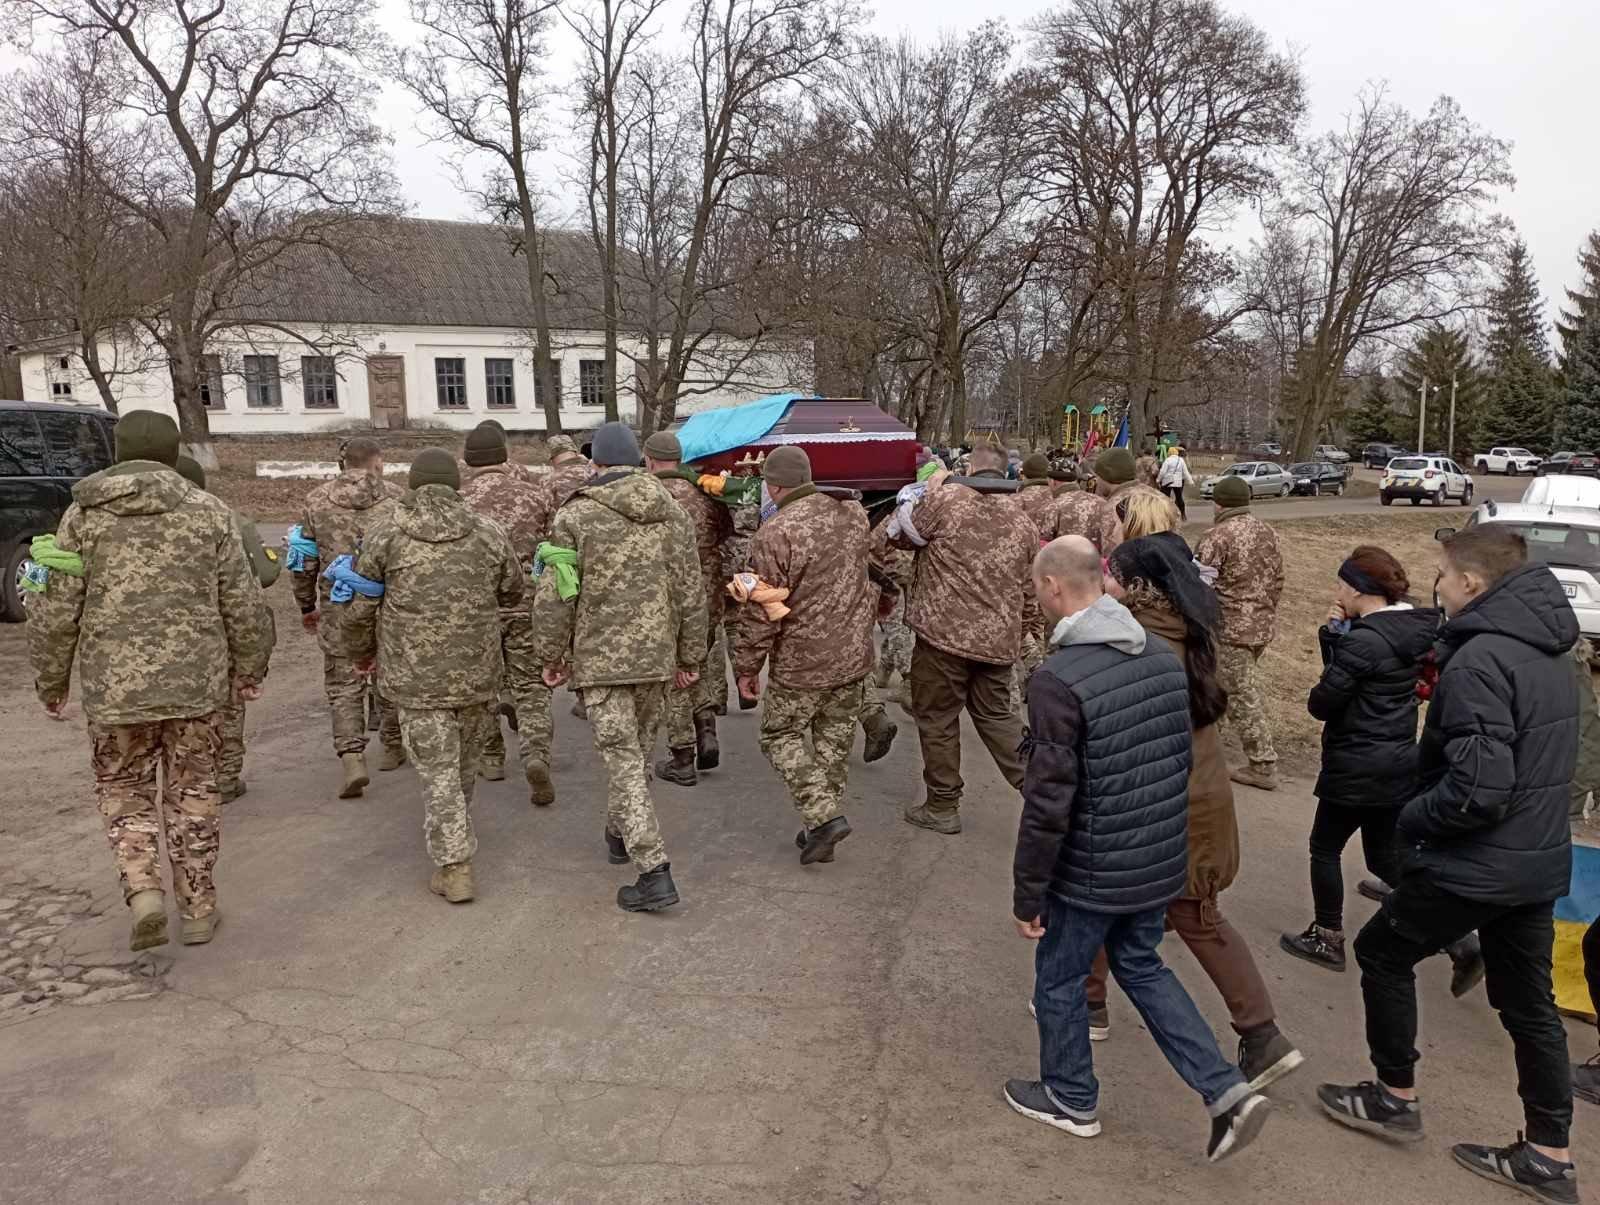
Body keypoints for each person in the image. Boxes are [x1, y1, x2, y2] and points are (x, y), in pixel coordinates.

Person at [1318, 527, 1580, 1204]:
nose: (1435, 585)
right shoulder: (1555, 652)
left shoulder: (1481, 660)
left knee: (1380, 951)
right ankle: (1550, 1154)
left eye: (1441, 574)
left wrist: (1410, 819)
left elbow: (1479, 788)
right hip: (1536, 861)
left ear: (1471, 582)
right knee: (1530, 1004)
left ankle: (1392, 1095)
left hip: (1479, 863)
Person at [1004, 535, 1272, 1162]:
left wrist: (1029, 893)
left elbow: (1048, 802)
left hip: (1092, 868)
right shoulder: (1158, 655)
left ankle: (1071, 1096)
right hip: (1155, 857)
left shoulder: (1058, 680)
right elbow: (1178, 761)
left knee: (1060, 979)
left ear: (1052, 588)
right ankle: (1225, 1089)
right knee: (1143, 965)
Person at [27, 410, 274, 949]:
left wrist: (52, 681)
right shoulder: (211, 513)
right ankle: (200, 909)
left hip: (115, 692)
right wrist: (250, 669)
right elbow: (243, 603)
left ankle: (143, 891)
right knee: (193, 792)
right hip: (196, 688)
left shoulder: (82, 517)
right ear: (172, 450)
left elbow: (55, 607)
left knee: (123, 787)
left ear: (116, 452)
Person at [1072, 532, 1305, 1089]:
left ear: (1137, 588)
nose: (1104, 584)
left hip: (1173, 810)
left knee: (1192, 918)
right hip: (1188, 801)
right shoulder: (1188, 634)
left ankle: (1262, 1034)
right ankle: (1090, 1003)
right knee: (1123, 903)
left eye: (1112, 575)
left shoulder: (1141, 646)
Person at [1279, 546, 1486, 996]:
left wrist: (1335, 637)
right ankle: (1459, 940)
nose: (1337, 592)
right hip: (1397, 760)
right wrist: (1339, 635)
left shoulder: (1362, 641)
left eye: (1341, 584)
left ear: (1357, 589)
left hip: (1355, 763)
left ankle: (1327, 936)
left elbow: (1323, 702)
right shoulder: (1421, 626)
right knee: (1384, 856)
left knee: (1324, 847)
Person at [532, 422, 706, 912]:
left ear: (597, 463)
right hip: (655, 658)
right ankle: (617, 834)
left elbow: (554, 594)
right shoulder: (673, 514)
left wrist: (551, 656)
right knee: (635, 754)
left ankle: (653, 871)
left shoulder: (576, 517)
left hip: (603, 659)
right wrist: (690, 656)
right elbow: (691, 593)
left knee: (625, 760)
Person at [340, 449, 524, 903]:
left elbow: (362, 605)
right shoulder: (488, 533)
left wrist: (361, 653)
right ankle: (454, 842)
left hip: (415, 677)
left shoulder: (385, 536)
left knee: (438, 770)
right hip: (477, 671)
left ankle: (454, 863)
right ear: (457, 487)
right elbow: (513, 588)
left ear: (414, 486)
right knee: (460, 766)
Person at [878, 444, 1038, 835]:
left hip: (942, 637)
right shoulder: (1024, 522)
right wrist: (1023, 633)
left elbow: (894, 536)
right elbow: (1029, 592)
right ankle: (1045, 791)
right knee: (1000, 718)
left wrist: (929, 487)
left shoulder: (947, 501)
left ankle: (943, 805)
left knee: (937, 718)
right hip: (998, 642)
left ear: (969, 468)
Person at [734, 446, 880, 863]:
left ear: (773, 485)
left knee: (779, 736)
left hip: (802, 661)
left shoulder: (775, 533)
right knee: (833, 743)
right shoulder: (852, 515)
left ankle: (823, 818)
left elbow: (762, 608)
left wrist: (747, 666)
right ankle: (821, 827)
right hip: (853, 655)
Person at [290, 436, 403, 798]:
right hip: (387, 602)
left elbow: (303, 561)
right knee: (388, 672)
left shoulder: (315, 501)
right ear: (378, 462)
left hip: (338, 603)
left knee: (343, 683)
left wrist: (306, 605)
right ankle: (392, 744)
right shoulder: (397, 499)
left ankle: (352, 755)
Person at [460, 421, 557, 804]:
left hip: (478, 610)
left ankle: (492, 757)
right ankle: (536, 754)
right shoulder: (534, 496)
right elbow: (555, 551)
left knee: (482, 688)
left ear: (468, 461)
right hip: (527, 604)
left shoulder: (457, 501)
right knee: (531, 686)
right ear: (505, 456)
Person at [174, 455, 280, 803]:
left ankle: (187, 778)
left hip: (168, 639)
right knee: (230, 705)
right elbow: (264, 575)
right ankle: (227, 777)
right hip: (223, 628)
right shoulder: (230, 520)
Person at [646, 430, 734, 786]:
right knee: (695, 663)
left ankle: (682, 756)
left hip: (665, 599)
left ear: (650, 460)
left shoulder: (648, 498)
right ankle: (707, 725)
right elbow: (726, 534)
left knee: (674, 677)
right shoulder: (704, 494)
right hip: (707, 596)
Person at [1194, 475, 1284, 791]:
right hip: (1260, 625)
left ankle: (1262, 763)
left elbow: (1198, 585)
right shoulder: (1268, 532)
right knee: (1221, 684)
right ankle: (1206, 746)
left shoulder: (1216, 537)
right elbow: (1278, 579)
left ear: (1218, 503)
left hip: (1229, 628)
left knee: (1239, 693)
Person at [1157, 445, 1194, 521]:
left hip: (1167, 481)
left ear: (1169, 453)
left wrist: (1158, 479)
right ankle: (1183, 514)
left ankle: (1166, 514)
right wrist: (1191, 481)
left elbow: (1163, 472)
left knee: (1166, 498)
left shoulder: (1167, 460)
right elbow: (1185, 472)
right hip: (1178, 482)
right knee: (1179, 497)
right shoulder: (1181, 460)